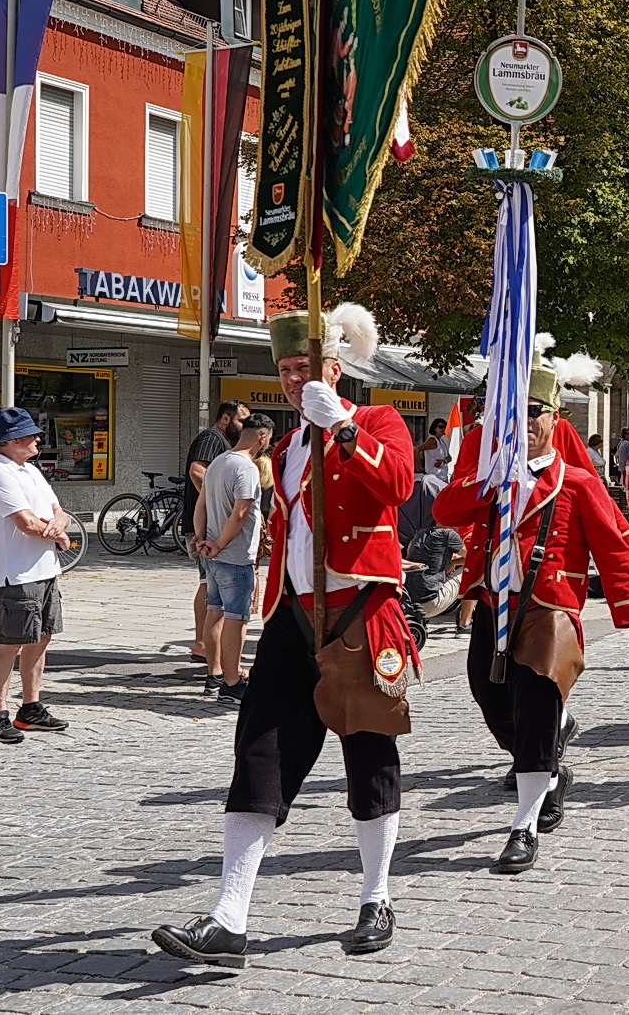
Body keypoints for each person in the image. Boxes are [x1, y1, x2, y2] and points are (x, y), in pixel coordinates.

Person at [150, 304, 419, 966]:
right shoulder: (291, 446)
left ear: (336, 366)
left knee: (369, 755)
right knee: (260, 753)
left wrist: (347, 427)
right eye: (288, 370)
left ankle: (375, 895)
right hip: (295, 615)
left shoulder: (377, 421)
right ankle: (228, 916)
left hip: (359, 609)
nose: (297, 379)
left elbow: (398, 485)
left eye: (308, 367)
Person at [435, 344, 629, 873]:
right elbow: (444, 509)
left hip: (550, 607)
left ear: (555, 419)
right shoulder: (490, 472)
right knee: (489, 695)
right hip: (494, 601)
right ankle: (548, 768)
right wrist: (486, 476)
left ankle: (523, 824)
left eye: (535, 413)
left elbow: (611, 550)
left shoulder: (574, 481)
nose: (525, 422)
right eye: (516, 412)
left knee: (534, 703)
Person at [0, 407, 73, 743]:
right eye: (31, 435)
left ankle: (30, 708)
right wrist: (58, 533)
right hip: (15, 573)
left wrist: (59, 527)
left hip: (45, 568)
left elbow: (58, 511)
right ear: (12, 440)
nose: (37, 439)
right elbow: (26, 522)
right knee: (13, 641)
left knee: (42, 636)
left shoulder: (30, 471)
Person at [193, 414, 276, 702]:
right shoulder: (247, 468)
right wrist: (218, 543)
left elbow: (200, 504)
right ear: (262, 438)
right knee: (236, 618)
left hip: (212, 554)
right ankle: (231, 682)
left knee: (214, 612)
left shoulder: (217, 461)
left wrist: (201, 537)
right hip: (235, 554)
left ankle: (213, 676)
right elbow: (240, 513)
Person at [182, 401, 250, 661]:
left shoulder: (224, 444)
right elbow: (197, 470)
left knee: (211, 584)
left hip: (208, 523)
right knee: (208, 584)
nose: (244, 427)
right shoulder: (211, 438)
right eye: (241, 420)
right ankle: (201, 642)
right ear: (225, 419)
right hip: (206, 525)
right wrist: (216, 503)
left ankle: (206, 643)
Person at [415, 418, 451, 482]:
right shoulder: (432, 440)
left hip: (442, 477)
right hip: (433, 478)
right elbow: (417, 450)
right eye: (441, 427)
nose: (443, 429)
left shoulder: (442, 441)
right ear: (434, 428)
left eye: (445, 427)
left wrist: (444, 461)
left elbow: (449, 457)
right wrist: (418, 467)